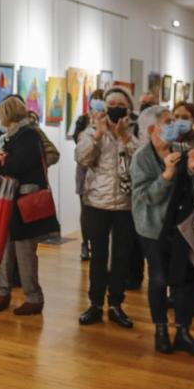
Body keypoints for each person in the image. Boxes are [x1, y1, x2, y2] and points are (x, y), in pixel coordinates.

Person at [132, 108, 194, 356]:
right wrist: (167, 174)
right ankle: (160, 331)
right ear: (151, 129)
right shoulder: (141, 158)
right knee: (158, 278)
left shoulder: (181, 150)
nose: (174, 125)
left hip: (182, 226)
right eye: (168, 122)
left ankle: (183, 332)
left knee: (184, 279)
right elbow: (146, 197)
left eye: (174, 121)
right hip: (153, 228)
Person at [76, 86, 139, 327]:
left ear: (128, 108)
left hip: (126, 204)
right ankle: (95, 304)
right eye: (109, 105)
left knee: (122, 256)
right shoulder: (91, 130)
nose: (114, 109)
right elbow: (82, 159)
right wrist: (98, 134)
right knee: (98, 256)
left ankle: (116, 304)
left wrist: (124, 138)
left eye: (119, 105)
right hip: (97, 202)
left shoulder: (136, 131)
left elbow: (141, 162)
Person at [0, 95, 55, 315]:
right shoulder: (14, 136)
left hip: (23, 201)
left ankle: (34, 297)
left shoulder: (27, 135)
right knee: (5, 248)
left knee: (24, 252)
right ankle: (3, 292)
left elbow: (16, 165)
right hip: (10, 200)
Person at [72, 89, 106, 261]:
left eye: (102, 100)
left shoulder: (108, 121)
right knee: (85, 210)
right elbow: (77, 140)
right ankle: (86, 244)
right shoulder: (83, 120)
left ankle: (99, 243)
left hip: (101, 169)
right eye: (96, 100)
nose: (99, 103)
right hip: (84, 169)